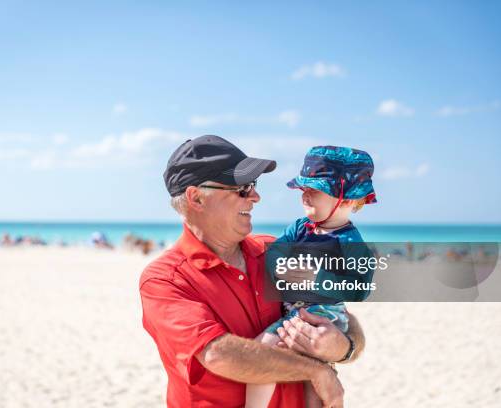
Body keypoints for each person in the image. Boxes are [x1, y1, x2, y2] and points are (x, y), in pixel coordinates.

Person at [139, 136, 365, 407]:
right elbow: (219, 355)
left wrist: (343, 347)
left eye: (253, 185)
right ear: (196, 197)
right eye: (242, 189)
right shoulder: (165, 280)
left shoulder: (274, 250)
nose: (256, 196)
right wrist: (316, 370)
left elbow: (341, 314)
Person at [246, 145, 377, 408]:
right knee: (313, 380)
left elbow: (360, 289)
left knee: (262, 350)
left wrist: (316, 278)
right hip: (294, 308)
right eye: (303, 190)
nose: (305, 196)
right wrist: (278, 265)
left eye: (314, 191)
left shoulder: (351, 242)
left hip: (324, 315)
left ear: (348, 200)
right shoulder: (299, 227)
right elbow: (275, 253)